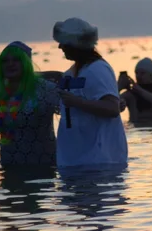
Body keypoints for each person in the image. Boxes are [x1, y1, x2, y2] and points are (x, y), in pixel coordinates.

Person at [52, 18, 129, 172]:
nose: (60, 46)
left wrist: (78, 102)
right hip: (73, 162)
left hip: (99, 163)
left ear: (76, 44)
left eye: (64, 43)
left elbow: (112, 108)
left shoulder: (98, 69)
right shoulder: (72, 73)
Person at [0, 41, 60, 167]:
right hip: (9, 168)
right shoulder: (5, 91)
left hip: (43, 168)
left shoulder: (45, 89)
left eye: (16, 60)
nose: (10, 64)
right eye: (5, 61)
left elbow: (72, 113)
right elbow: (6, 120)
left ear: (26, 63)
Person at [118, 57, 152, 123]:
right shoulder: (130, 96)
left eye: (142, 73)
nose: (138, 76)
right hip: (136, 131)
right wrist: (118, 87)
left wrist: (140, 91)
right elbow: (111, 105)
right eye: (136, 73)